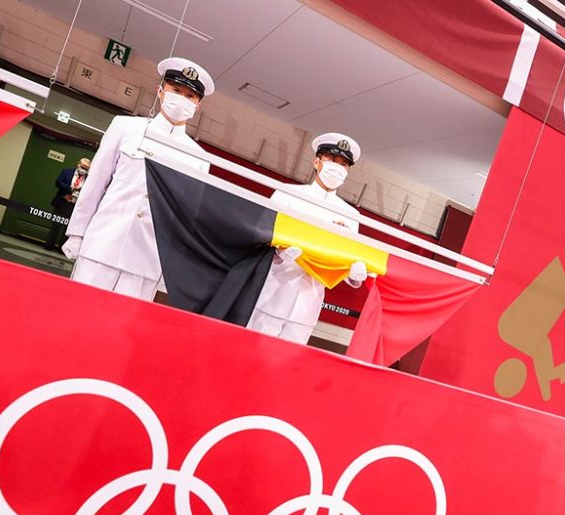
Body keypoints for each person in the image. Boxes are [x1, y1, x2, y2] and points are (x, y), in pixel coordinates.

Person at [61, 58, 214, 300]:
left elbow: (187, 219)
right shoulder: (125, 127)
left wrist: (170, 269)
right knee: (77, 316)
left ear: (198, 105)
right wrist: (77, 234)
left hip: (146, 261)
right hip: (103, 244)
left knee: (118, 332)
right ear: (161, 90)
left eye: (190, 96)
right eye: (176, 90)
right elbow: (96, 182)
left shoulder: (198, 158)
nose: (181, 99)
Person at [247, 132, 368, 343]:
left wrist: (354, 275)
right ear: (317, 162)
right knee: (246, 352)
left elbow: (345, 258)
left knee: (283, 368)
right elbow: (261, 238)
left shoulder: (350, 216)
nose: (337, 167)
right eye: (332, 160)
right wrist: (280, 253)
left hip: (307, 304)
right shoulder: (288, 194)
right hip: (272, 293)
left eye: (343, 164)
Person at [45, 157, 90, 252]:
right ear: (78, 164)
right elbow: (58, 182)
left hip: (75, 207)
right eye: (82, 167)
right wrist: (70, 190)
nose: (83, 170)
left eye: (86, 168)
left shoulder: (89, 179)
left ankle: (62, 249)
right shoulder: (67, 171)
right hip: (62, 203)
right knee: (55, 226)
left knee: (68, 230)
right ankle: (49, 246)